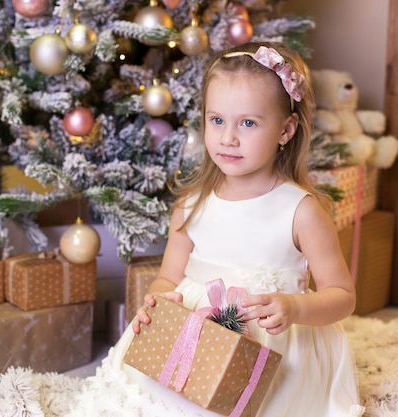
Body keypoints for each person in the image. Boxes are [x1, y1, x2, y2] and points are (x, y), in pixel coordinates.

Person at [107, 41, 365, 417]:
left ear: (285, 129)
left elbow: (342, 295)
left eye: (248, 123)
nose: (228, 137)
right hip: (192, 339)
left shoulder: (301, 211)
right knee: (139, 397)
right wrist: (159, 302)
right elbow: (167, 279)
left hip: (276, 349)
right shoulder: (190, 206)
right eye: (217, 120)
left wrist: (295, 306)